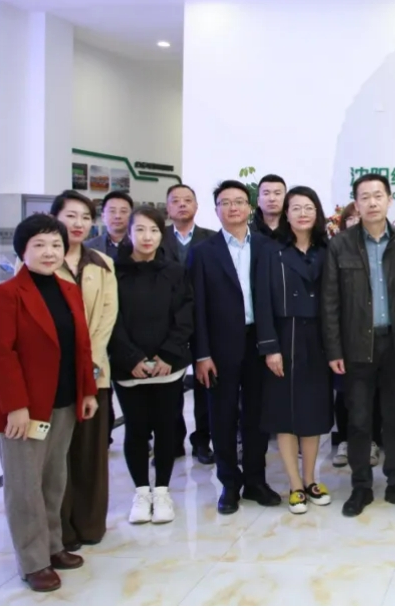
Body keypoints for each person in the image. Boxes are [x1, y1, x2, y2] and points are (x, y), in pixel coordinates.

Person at [0, 214, 99, 593]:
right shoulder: (7, 294)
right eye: (40, 245)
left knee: (53, 480)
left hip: (62, 402)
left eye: (55, 245)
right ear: (23, 250)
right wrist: (15, 405)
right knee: (24, 488)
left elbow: (81, 347)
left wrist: (87, 391)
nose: (49, 252)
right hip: (23, 410)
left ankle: (52, 545)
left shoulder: (67, 290)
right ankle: (33, 562)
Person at [322, 173, 395, 517]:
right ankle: (361, 486)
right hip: (356, 347)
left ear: (389, 199)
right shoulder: (340, 245)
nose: (371, 202)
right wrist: (334, 350)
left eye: (378, 195)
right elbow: (329, 301)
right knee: (358, 421)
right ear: (356, 203)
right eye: (364, 197)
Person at [189, 180, 281, 515]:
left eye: (239, 201)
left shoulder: (267, 247)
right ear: (216, 210)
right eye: (225, 202)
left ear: (249, 207)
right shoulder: (203, 252)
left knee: (257, 417)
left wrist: (275, 346)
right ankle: (229, 483)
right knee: (222, 417)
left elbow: (274, 300)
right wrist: (201, 354)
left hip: (259, 342)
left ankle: (256, 481)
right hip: (219, 347)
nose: (233, 208)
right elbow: (196, 307)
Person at [37, 191, 117, 552]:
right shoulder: (42, 262)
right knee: (56, 455)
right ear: (55, 218)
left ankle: (89, 524)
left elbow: (107, 317)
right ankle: (59, 531)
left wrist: (91, 361)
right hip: (52, 374)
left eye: (85, 217)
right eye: (71, 216)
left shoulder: (101, 262)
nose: (79, 224)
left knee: (90, 452)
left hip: (94, 371)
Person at [109, 206, 194, 525]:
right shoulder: (113, 272)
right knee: (135, 429)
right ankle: (141, 492)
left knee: (165, 428)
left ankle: (162, 491)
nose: (147, 237)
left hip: (167, 367)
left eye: (154, 230)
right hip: (127, 366)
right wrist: (130, 358)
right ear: (129, 233)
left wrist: (167, 355)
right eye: (140, 230)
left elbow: (185, 315)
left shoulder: (175, 271)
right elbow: (110, 319)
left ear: (162, 234)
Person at [255, 186, 334, 514]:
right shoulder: (271, 250)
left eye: (309, 207)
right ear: (286, 214)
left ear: (317, 213)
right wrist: (269, 347)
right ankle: (294, 484)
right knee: (285, 415)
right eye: (296, 208)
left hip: (319, 338)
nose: (303, 213)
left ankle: (311, 478)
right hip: (284, 337)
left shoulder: (327, 250)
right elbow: (262, 301)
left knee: (312, 413)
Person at [164, 184, 217, 466]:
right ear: (168, 207)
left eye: (188, 200)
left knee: (204, 383)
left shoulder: (212, 239)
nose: (182, 205)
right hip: (167, 323)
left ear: (196, 206)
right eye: (176, 201)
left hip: (204, 320)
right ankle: (172, 440)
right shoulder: (156, 237)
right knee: (169, 385)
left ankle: (202, 440)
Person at [329, 200, 384, 470]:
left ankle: (371, 441)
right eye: (349, 218)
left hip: (377, 335)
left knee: (373, 393)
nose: (354, 222)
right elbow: (330, 300)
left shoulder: (381, 249)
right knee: (344, 393)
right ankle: (344, 440)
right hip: (346, 336)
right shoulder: (336, 250)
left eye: (357, 218)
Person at [85, 191, 134, 260]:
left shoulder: (140, 245)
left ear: (132, 216)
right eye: (112, 211)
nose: (117, 216)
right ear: (103, 216)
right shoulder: (88, 247)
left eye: (123, 211)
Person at [251, 174, 287, 238]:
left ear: (286, 199)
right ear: (258, 201)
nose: (272, 199)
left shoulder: (296, 231)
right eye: (266, 193)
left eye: (277, 193)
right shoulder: (246, 232)